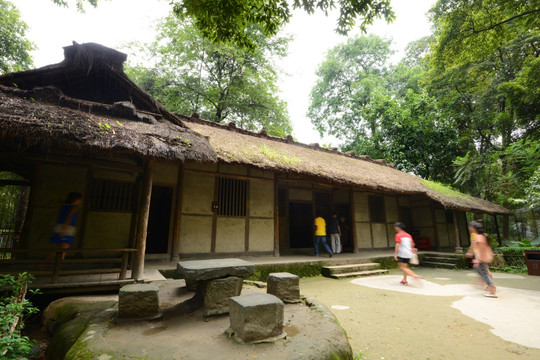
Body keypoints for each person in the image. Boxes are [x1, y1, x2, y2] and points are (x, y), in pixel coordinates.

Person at [466, 221, 497, 298]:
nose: (469, 228)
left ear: (473, 228)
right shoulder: (482, 236)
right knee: (481, 271)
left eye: (470, 227)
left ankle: (492, 290)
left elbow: (481, 249)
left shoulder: (478, 237)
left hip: (482, 258)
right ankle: (489, 286)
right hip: (485, 257)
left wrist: (478, 259)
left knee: (485, 274)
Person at [50, 192, 83, 260]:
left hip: (59, 227)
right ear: (76, 199)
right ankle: (52, 266)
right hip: (67, 229)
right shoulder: (73, 208)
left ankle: (46, 264)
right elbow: (69, 218)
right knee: (64, 249)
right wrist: (64, 229)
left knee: (59, 249)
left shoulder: (63, 207)